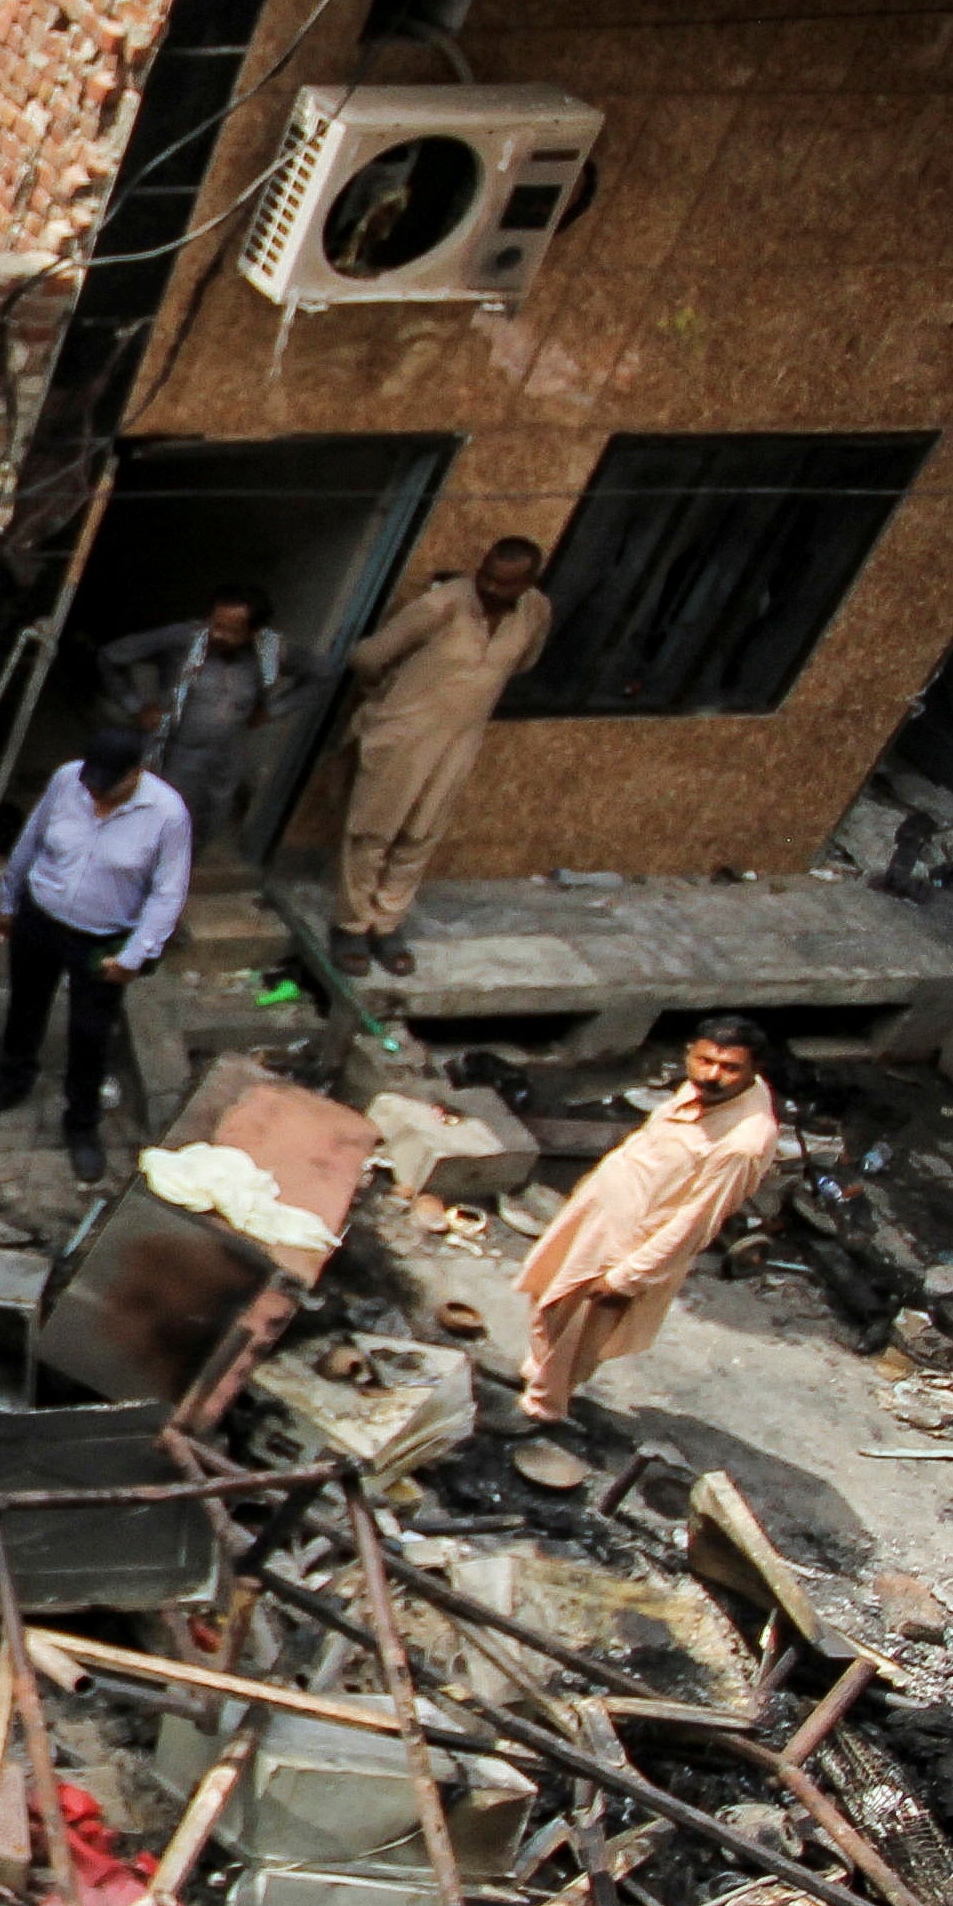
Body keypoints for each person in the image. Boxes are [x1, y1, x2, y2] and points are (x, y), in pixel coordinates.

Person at [511, 1016, 782, 1429]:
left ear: (753, 1070)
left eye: (730, 1068)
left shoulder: (743, 1143)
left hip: (628, 1246)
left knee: (579, 1333)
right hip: (598, 1218)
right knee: (551, 1300)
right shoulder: (700, 1091)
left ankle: (543, 1412)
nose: (713, 1075)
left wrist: (628, 1277)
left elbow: (695, 1223)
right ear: (690, 1052)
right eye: (706, 1060)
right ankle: (538, 1372)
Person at [0, 732, 193, 1183]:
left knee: (91, 1031)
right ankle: (11, 1082)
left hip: (102, 937)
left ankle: (82, 1124)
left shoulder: (167, 814)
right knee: (26, 1004)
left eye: (107, 785)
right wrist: (8, 901)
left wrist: (135, 954)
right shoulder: (67, 780)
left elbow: (168, 892)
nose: (95, 792)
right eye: (92, 783)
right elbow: (30, 841)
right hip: (41, 916)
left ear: (136, 772)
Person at [328, 538, 554, 976]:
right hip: (403, 735)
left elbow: (524, 662)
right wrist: (387, 698)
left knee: (421, 833)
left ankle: (386, 922)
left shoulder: (535, 610)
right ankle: (351, 925)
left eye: (503, 583)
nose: (488, 586)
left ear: (527, 584)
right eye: (485, 574)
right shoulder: (441, 605)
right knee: (372, 833)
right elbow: (368, 656)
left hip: (460, 739)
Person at [97, 587, 316, 858]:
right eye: (215, 624)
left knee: (206, 826)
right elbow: (111, 655)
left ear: (253, 632)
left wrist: (273, 709)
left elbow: (321, 674)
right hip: (176, 753)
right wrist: (136, 706)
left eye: (231, 630)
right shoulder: (182, 638)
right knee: (158, 824)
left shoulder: (268, 652)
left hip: (226, 758)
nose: (217, 634)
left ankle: (174, 880)